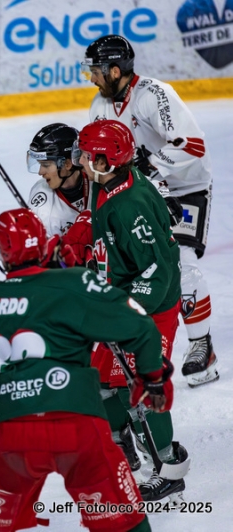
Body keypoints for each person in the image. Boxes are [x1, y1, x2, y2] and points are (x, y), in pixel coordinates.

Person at [0, 208, 171, 532]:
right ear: (44, 245)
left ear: (1, 253)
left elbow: (24, 313)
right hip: (77, 425)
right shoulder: (74, 284)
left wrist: (53, 278)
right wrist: (152, 378)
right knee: (125, 524)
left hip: (14, 432)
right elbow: (140, 326)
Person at [0, 123, 95, 467]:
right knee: (6, 348)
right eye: (36, 162)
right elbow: (38, 252)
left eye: (46, 162)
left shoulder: (100, 182)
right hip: (62, 290)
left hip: (102, 289)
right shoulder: (43, 196)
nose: (39, 171)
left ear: (70, 161)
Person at [83, 34, 218, 388]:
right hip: (141, 194)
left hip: (184, 188)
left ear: (115, 70)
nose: (92, 79)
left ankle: (202, 345)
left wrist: (153, 164)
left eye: (95, 71)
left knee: (182, 263)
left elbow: (193, 145)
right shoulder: (100, 104)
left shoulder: (155, 94)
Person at [76, 119, 189, 502]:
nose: (81, 161)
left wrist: (126, 311)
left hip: (149, 310)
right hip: (121, 299)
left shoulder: (131, 206)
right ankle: (122, 444)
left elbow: (158, 269)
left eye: (87, 156)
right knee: (99, 380)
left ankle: (170, 467)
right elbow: (108, 244)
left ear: (107, 161)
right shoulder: (105, 185)